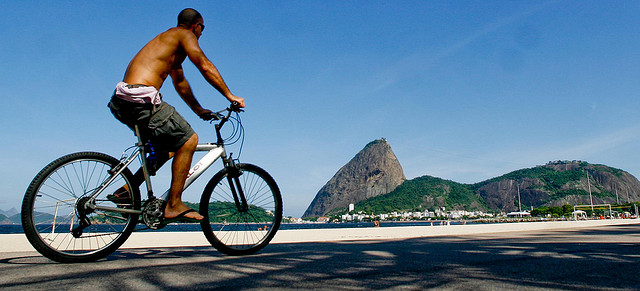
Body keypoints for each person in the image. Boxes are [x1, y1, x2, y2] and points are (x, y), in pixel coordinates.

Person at [108, 8, 244, 221]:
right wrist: (230, 95)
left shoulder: (168, 45)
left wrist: (199, 110)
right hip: (140, 100)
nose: (201, 33)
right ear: (196, 25)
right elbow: (205, 66)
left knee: (169, 148)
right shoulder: (184, 35)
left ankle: (126, 191)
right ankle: (174, 204)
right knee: (189, 140)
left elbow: (180, 83)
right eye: (202, 28)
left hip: (122, 101)